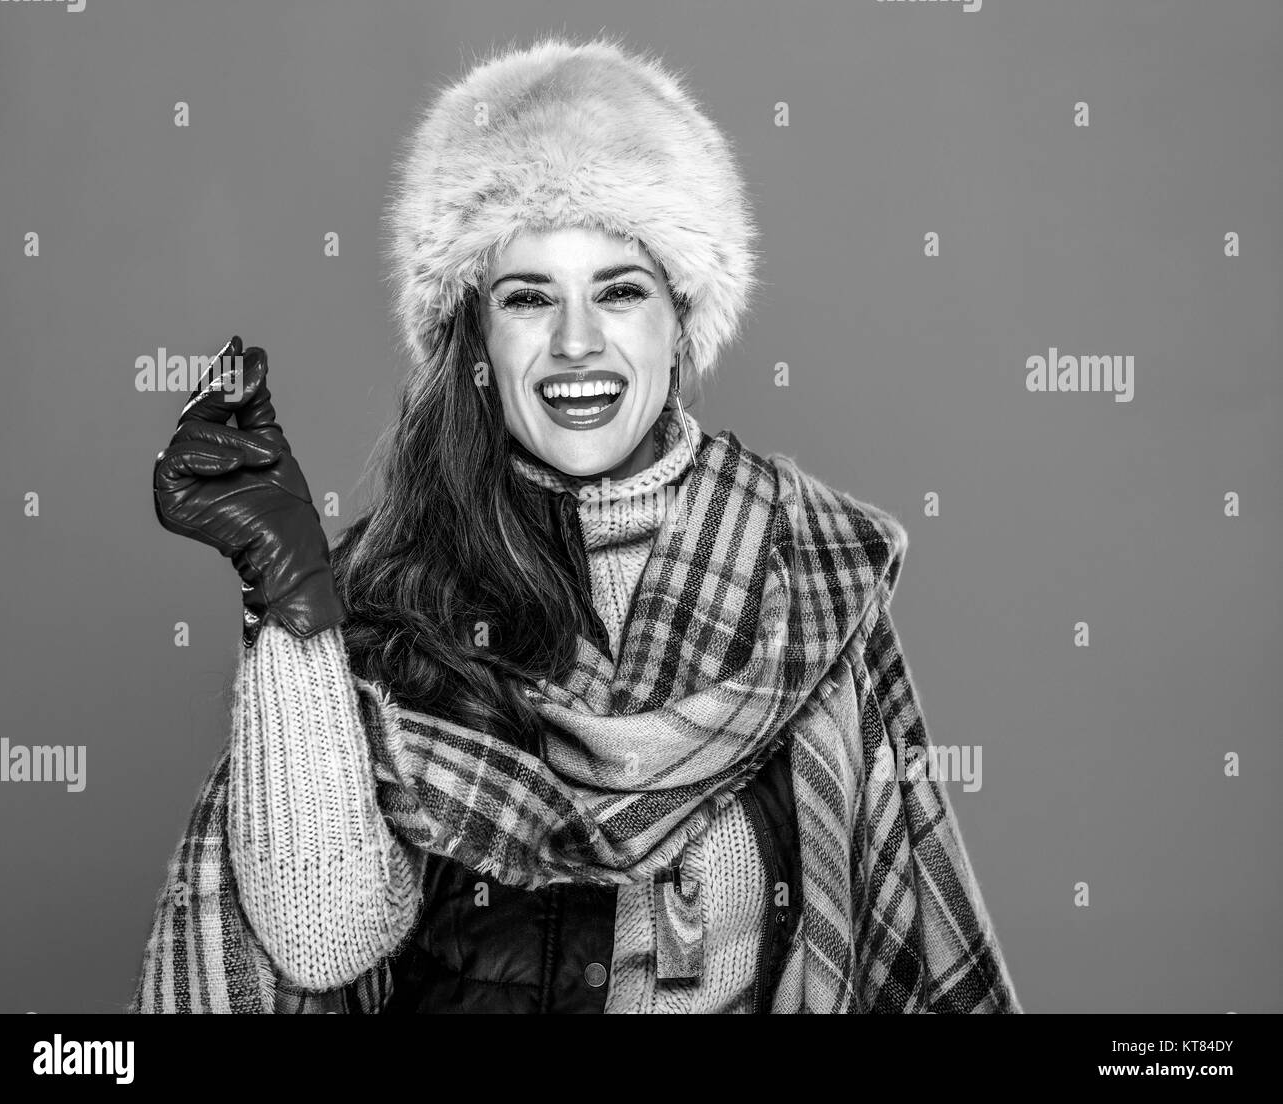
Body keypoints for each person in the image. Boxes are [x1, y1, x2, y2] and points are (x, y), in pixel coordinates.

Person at [132, 33, 1020, 1014]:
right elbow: (324, 941)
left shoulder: (802, 581)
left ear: (679, 318)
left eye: (619, 290)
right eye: (528, 297)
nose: (576, 342)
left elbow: (904, 950)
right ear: (474, 336)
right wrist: (292, 597)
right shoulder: (392, 583)